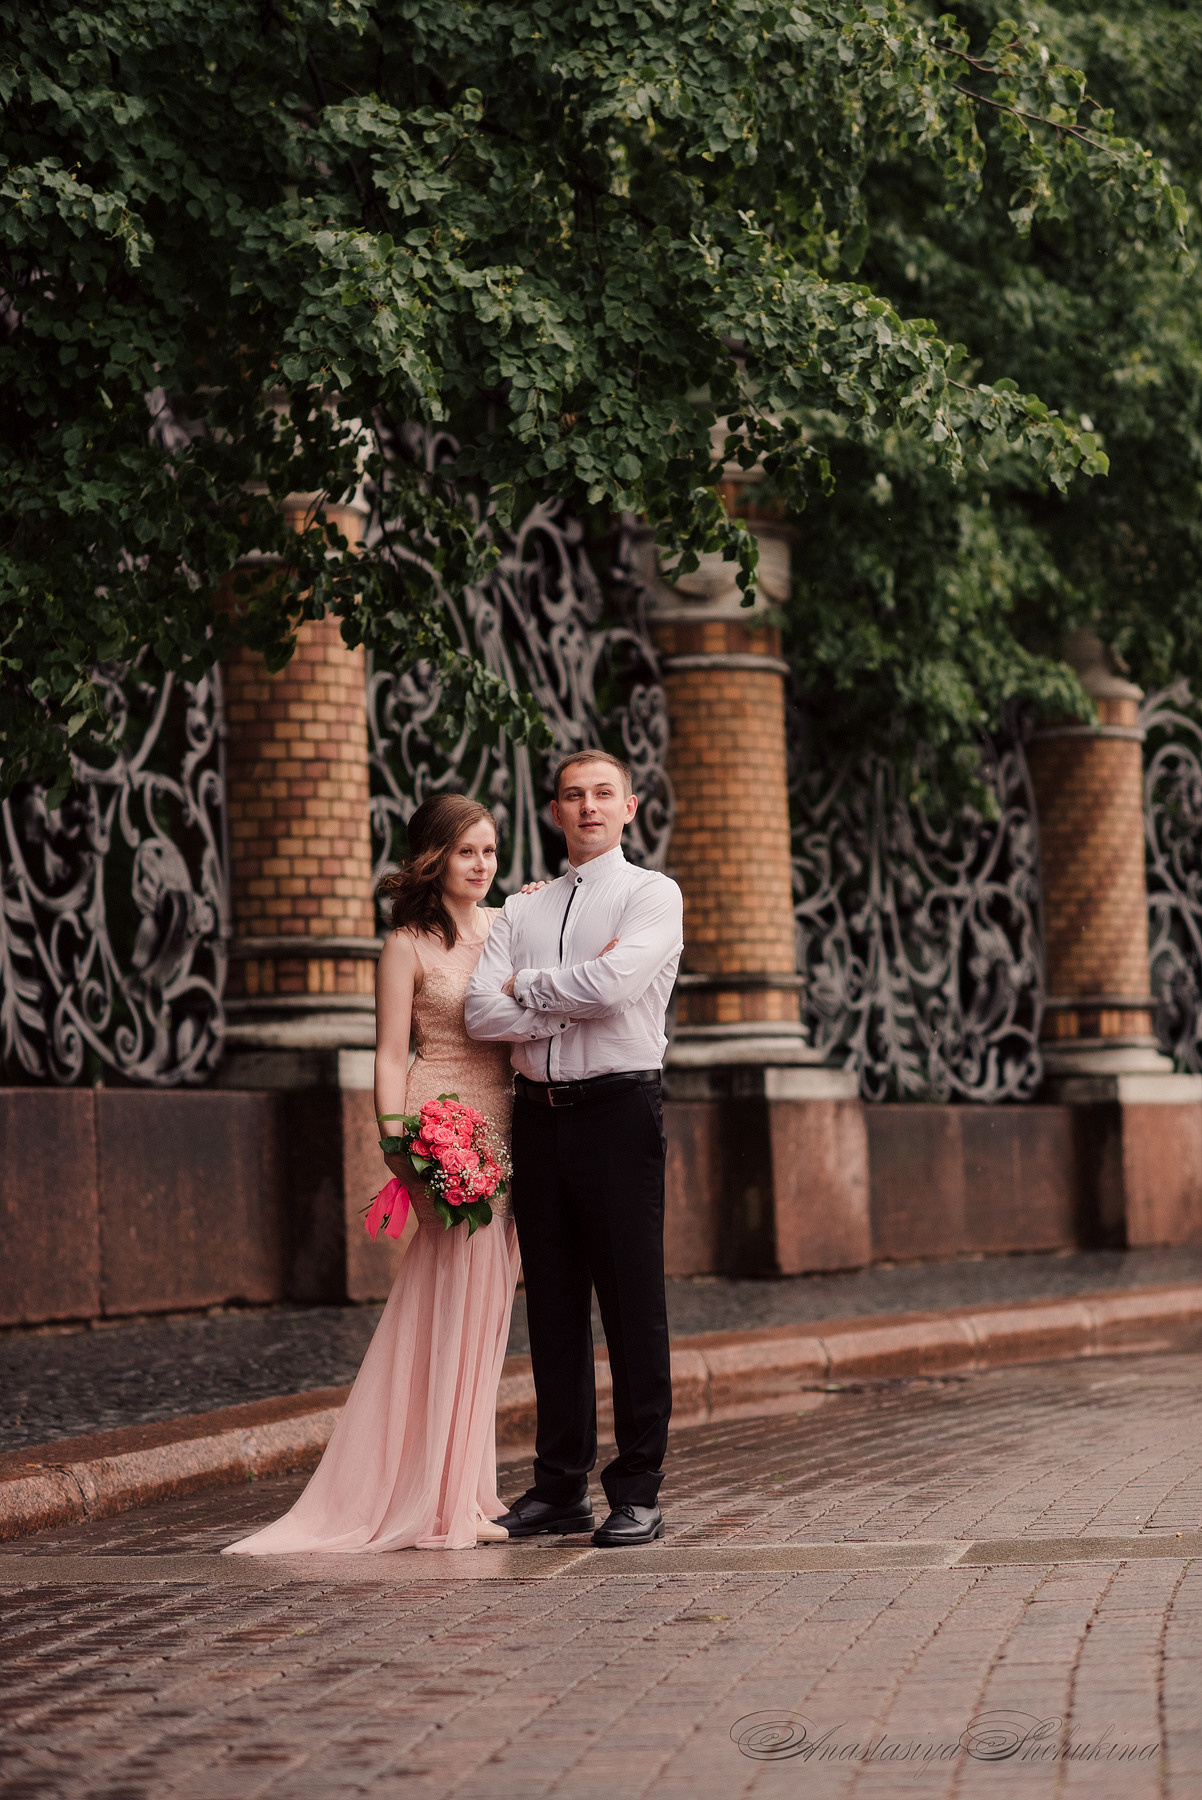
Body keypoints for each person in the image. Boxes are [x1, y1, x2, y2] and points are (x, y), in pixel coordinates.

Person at [224, 793, 522, 1555]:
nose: (481, 865)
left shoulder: (508, 926)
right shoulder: (407, 946)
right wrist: (397, 1144)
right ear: (434, 858)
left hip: (508, 1126)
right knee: (451, 1302)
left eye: (489, 850)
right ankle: (437, 1497)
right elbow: (391, 1053)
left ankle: (465, 1487)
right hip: (444, 1122)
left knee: (488, 1309)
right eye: (466, 851)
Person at [464, 751, 684, 1547]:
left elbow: (616, 986)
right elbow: (478, 1014)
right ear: (554, 812)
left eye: (602, 794)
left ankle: (638, 1488)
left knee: (631, 1303)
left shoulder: (653, 894)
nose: (587, 806)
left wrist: (528, 988)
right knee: (553, 1305)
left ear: (629, 807)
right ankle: (560, 1489)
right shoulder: (521, 910)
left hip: (620, 1110)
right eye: (572, 795)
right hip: (538, 1116)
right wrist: (568, 996)